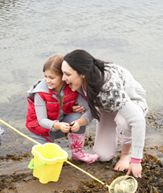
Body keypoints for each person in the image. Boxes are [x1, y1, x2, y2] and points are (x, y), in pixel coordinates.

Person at [61, 49, 148, 178]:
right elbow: (50, 76)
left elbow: (138, 121)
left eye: (67, 74)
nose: (63, 78)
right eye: (63, 74)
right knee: (103, 156)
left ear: (82, 73)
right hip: (107, 107)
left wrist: (136, 161)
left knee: (124, 122)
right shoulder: (79, 81)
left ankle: (126, 153)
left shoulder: (109, 89)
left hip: (132, 102)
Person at [26, 54, 99, 163]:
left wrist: (79, 122)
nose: (47, 80)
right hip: (41, 131)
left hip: (60, 127)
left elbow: (90, 110)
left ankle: (77, 153)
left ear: (63, 76)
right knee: (44, 160)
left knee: (77, 115)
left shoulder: (71, 88)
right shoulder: (40, 93)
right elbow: (41, 121)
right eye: (45, 76)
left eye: (52, 77)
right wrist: (58, 125)